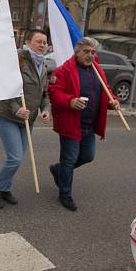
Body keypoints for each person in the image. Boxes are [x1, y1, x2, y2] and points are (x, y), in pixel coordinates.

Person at [48, 37, 120, 211]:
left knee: (88, 156)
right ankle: (65, 194)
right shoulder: (64, 70)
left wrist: (113, 101)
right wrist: (70, 101)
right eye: (86, 52)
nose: (90, 56)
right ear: (77, 52)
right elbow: (54, 92)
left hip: (89, 124)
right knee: (69, 158)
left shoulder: (98, 71)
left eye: (93, 53)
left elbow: (106, 91)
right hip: (71, 123)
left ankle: (59, 170)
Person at [0, 29, 51, 208]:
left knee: (17, 157)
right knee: (15, 157)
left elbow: (44, 93)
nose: (42, 45)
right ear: (28, 42)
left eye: (45, 42)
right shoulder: (17, 60)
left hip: (28, 120)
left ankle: (5, 188)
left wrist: (46, 110)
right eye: (38, 41)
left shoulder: (43, 65)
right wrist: (16, 109)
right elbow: (4, 89)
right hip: (8, 116)